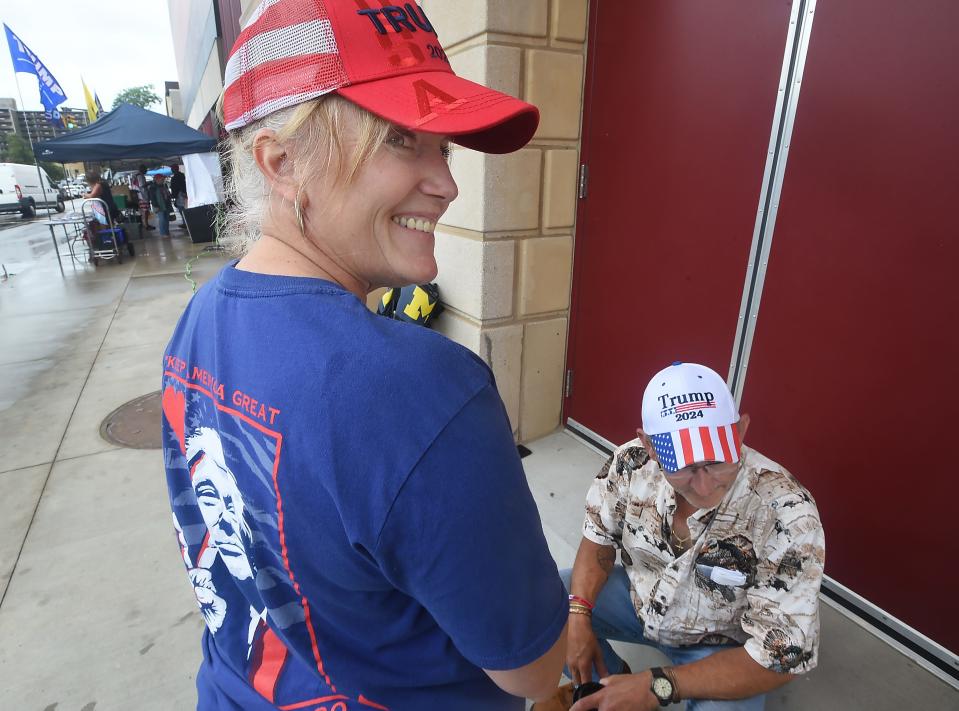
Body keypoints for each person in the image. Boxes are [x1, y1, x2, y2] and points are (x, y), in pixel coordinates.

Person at [159, 1, 566, 709]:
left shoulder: (199, 319)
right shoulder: (422, 389)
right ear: (282, 164)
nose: (446, 183)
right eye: (401, 141)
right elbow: (530, 670)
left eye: (442, 144)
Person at [536, 362, 825, 711]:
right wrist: (578, 614)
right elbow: (597, 538)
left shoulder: (787, 512)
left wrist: (657, 685)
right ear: (649, 445)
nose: (705, 485)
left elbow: (783, 659)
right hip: (638, 598)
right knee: (541, 607)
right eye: (684, 467)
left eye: (718, 462)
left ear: (741, 430)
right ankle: (603, 688)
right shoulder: (632, 462)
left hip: (723, 641)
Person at [83, 170, 134, 257]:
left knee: (105, 228)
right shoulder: (103, 183)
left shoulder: (99, 185)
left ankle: (108, 245)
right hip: (109, 207)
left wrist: (84, 195)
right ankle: (111, 243)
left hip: (106, 209)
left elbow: (92, 195)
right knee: (109, 227)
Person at [133, 164, 154, 231]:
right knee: (145, 211)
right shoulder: (140, 176)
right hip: (143, 196)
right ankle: (146, 225)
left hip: (140, 196)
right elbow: (142, 185)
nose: (146, 171)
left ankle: (145, 224)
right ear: (142, 169)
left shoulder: (136, 176)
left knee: (144, 211)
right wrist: (149, 183)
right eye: (145, 169)